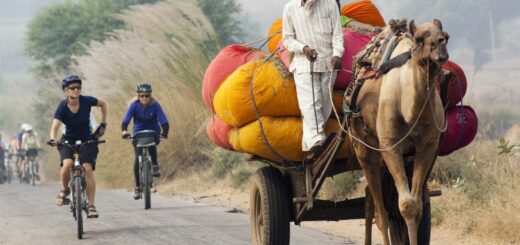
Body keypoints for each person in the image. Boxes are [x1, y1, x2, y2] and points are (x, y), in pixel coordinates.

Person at [282, 0, 344, 161]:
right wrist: (303, 48)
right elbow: (287, 40)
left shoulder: (329, 4)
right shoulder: (290, 9)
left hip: (328, 62)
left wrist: (337, 54)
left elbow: (337, 34)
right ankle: (316, 143)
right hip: (304, 64)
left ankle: (310, 143)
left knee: (324, 105)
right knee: (310, 103)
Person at [48, 74, 107, 218]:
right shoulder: (62, 107)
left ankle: (91, 206)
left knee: (87, 168)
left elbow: (103, 104)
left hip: (87, 140)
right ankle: (64, 190)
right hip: (67, 141)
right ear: (66, 91)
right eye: (72, 88)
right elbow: (55, 126)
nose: (76, 90)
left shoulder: (86, 101)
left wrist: (103, 124)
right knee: (67, 164)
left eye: (78, 87)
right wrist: (52, 138)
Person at [121, 83, 169, 200]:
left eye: (147, 95)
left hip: (153, 131)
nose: (144, 98)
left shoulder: (155, 105)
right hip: (138, 133)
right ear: (138, 96)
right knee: (137, 159)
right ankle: (137, 187)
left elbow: (164, 121)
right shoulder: (133, 106)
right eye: (141, 96)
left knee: (152, 144)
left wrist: (164, 133)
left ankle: (155, 165)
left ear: (150, 96)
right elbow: (125, 121)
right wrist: (124, 131)